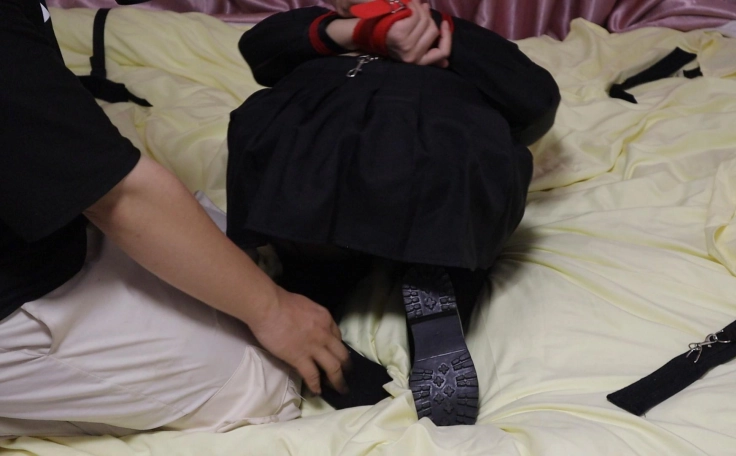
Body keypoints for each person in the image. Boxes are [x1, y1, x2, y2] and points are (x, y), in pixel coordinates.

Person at [0, 0, 353, 437]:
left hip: (48, 231)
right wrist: (273, 310)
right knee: (262, 386)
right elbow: (122, 198)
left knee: (240, 258)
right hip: (21, 293)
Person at [227, 0, 560, 426]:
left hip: (315, 172)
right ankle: (446, 282)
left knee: (291, 163)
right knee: (468, 158)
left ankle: (313, 310)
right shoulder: (326, 30)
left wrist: (434, 32)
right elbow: (537, 103)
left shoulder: (431, 35)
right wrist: (364, 32)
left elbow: (260, 49)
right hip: (435, 174)